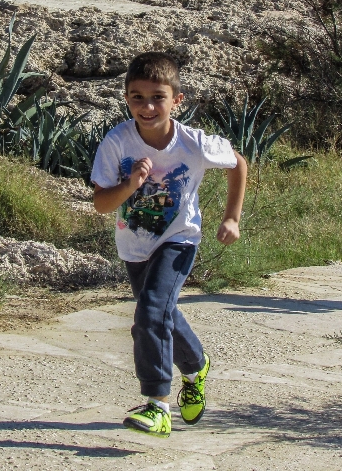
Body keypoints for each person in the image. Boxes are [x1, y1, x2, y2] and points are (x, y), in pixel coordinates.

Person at [91, 52, 247, 438]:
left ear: (177, 100)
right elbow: (101, 204)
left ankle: (156, 405)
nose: (147, 106)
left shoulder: (193, 144)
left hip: (179, 239)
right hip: (134, 245)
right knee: (160, 315)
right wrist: (130, 185)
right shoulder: (117, 142)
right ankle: (196, 367)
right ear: (126, 99)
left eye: (157, 97)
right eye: (137, 97)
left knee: (151, 312)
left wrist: (232, 217)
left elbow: (238, 164)